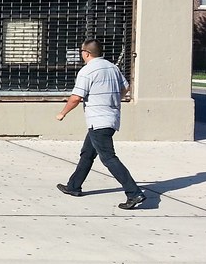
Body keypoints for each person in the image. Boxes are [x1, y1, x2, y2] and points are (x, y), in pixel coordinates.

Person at [55, 39, 145, 210]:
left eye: (82, 51)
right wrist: (111, 99)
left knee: (108, 158)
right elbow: (125, 88)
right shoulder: (113, 67)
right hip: (110, 119)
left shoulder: (87, 71)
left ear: (86, 53)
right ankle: (74, 186)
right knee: (87, 153)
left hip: (98, 121)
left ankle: (134, 193)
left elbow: (76, 97)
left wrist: (62, 113)